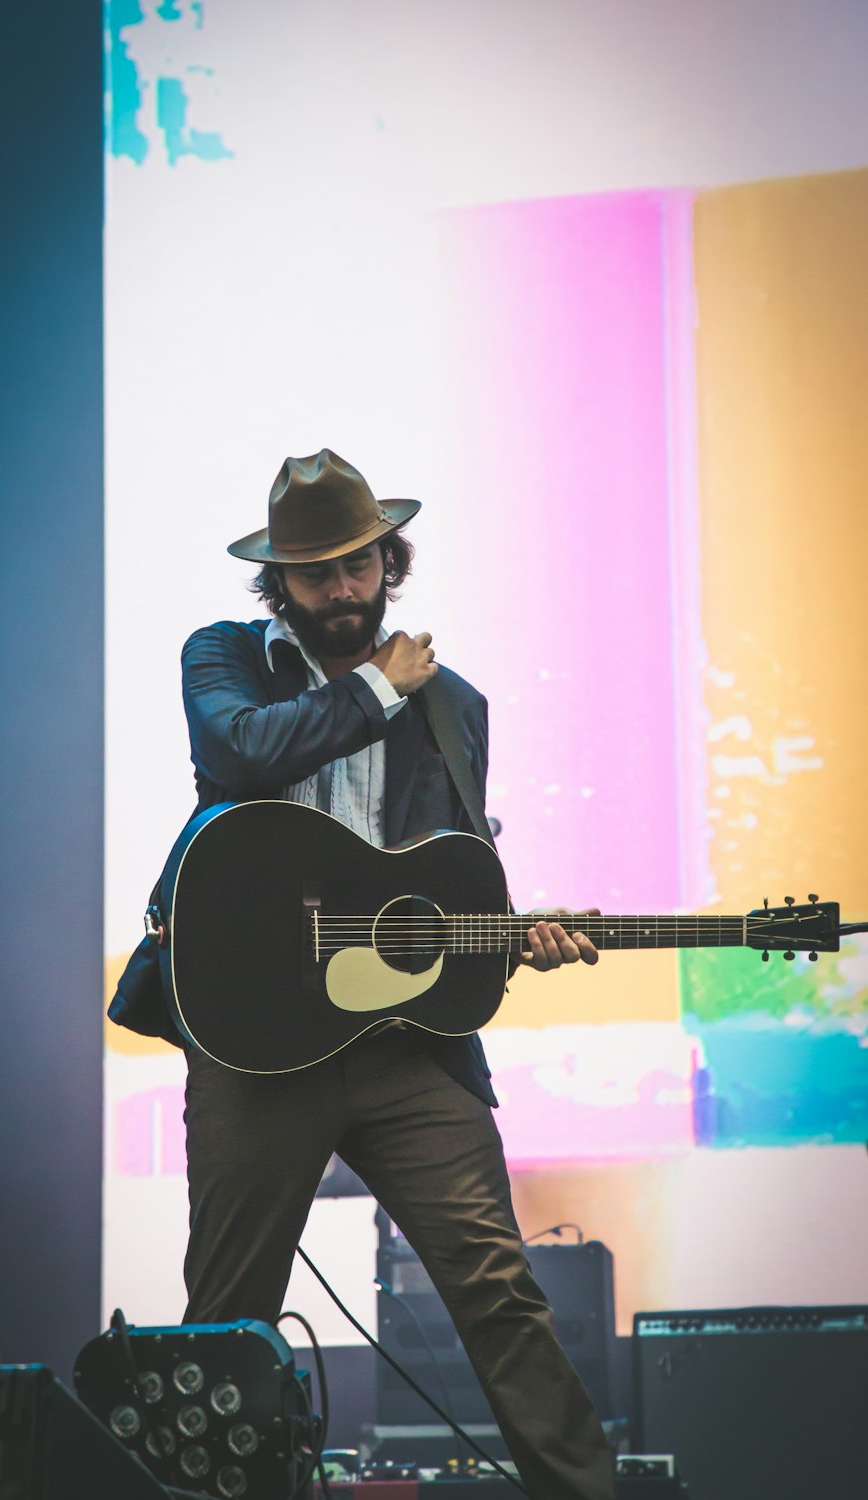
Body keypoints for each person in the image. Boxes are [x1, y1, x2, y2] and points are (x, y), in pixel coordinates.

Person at [177, 449, 615, 1500]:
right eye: (316, 571)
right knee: (229, 1313)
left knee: (499, 1291)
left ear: (389, 561)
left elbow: (443, 873)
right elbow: (240, 756)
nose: (341, 589)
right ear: (278, 579)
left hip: (406, 1049)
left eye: (358, 565)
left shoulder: (453, 705)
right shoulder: (225, 658)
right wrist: (378, 686)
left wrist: (513, 931)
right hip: (258, 1041)